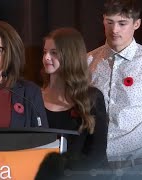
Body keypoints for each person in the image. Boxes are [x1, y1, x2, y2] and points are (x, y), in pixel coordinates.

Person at [88, 0, 142, 178]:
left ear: (136, 24)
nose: (114, 30)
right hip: (95, 165)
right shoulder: (88, 61)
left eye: (122, 23)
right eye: (110, 22)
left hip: (139, 166)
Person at [40, 27, 108, 177]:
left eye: (54, 53)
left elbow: (96, 154)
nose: (46, 58)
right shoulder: (34, 97)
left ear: (70, 56)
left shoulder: (92, 98)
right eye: (45, 52)